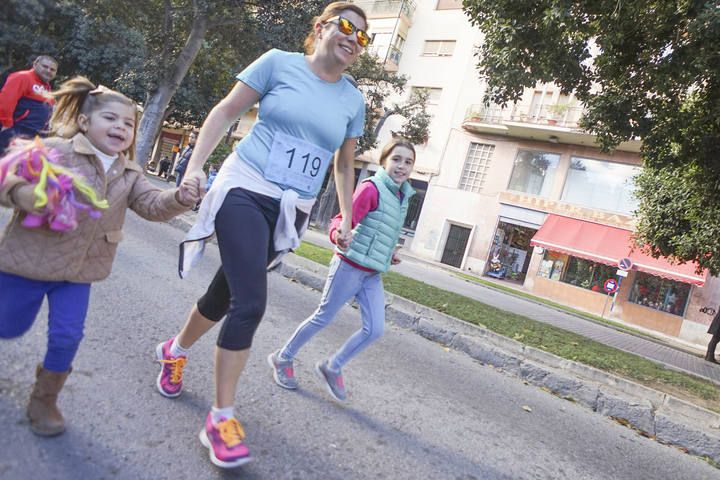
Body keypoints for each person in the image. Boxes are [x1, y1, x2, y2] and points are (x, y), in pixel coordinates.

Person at [153, 1, 368, 469]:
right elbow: (226, 111)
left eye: (363, 36)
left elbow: (345, 163)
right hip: (245, 187)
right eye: (346, 26)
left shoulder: (354, 99)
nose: (354, 38)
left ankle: (175, 350)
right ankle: (221, 418)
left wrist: (347, 216)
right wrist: (193, 169)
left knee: (224, 292)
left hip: (291, 210)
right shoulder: (277, 63)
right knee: (250, 302)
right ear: (321, 28)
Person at [0, 77, 200, 437]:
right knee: (7, 326)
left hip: (78, 272)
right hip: (27, 264)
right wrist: (27, 195)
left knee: (67, 336)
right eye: (111, 119)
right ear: (84, 122)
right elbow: (6, 181)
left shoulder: (130, 172)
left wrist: (181, 198)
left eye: (128, 124)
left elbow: (152, 205)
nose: (120, 128)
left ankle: (44, 398)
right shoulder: (56, 149)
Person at [268, 139, 415, 402]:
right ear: (383, 161)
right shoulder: (372, 189)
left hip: (371, 272)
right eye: (396, 159)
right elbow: (341, 219)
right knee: (323, 316)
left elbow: (383, 230)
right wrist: (338, 234)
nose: (402, 166)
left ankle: (332, 366)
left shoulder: (402, 195)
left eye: (408, 162)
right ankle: (283, 357)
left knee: (375, 330)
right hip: (349, 266)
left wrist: (389, 252)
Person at [0, 55, 58, 155]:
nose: (48, 70)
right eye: (45, 66)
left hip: (34, 138)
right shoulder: (22, 77)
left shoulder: (47, 88)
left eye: (52, 69)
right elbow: (6, 100)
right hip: (15, 133)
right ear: (35, 64)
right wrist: (6, 125)